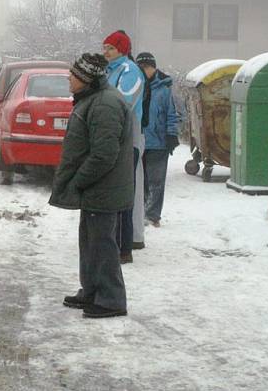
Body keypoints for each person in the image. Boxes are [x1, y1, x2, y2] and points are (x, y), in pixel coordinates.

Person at [49, 53, 131, 318]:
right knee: (90, 241)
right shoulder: (93, 99)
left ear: (86, 79)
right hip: (96, 188)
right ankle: (92, 290)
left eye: (73, 75)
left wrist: (79, 179)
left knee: (103, 245)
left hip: (103, 187)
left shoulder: (105, 104)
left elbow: (104, 154)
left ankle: (111, 299)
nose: (68, 79)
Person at [103, 30, 146, 264]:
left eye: (110, 48)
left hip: (127, 137)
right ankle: (114, 242)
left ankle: (124, 246)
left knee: (123, 192)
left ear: (122, 49)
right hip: (114, 136)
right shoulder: (110, 71)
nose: (106, 52)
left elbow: (122, 103)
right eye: (104, 48)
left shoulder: (130, 71)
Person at [136, 52, 180, 227]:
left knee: (156, 181)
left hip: (159, 143)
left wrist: (171, 135)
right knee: (141, 181)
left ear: (153, 67)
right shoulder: (136, 87)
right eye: (141, 67)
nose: (144, 70)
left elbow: (172, 114)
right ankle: (140, 212)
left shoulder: (164, 89)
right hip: (139, 141)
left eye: (146, 67)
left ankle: (153, 215)